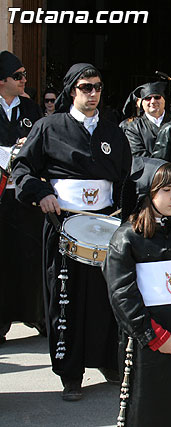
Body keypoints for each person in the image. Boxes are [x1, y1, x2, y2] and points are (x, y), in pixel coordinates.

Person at [12, 63, 132, 401]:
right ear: (71, 91)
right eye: (85, 88)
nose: (92, 94)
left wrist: (127, 215)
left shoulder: (113, 132)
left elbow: (126, 178)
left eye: (97, 87)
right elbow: (22, 168)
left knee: (107, 299)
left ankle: (108, 361)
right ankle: (71, 372)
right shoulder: (48, 127)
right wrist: (41, 194)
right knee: (68, 301)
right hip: (65, 226)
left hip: (107, 227)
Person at [103, 158, 171, 427]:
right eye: (166, 190)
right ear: (147, 193)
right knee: (148, 410)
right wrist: (155, 336)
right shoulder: (126, 238)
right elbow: (122, 295)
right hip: (146, 342)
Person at [0, 50, 44, 344]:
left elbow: (41, 144)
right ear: (2, 81)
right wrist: (10, 152)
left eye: (25, 75)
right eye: (18, 76)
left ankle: (35, 313)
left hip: (23, 195)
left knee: (30, 254)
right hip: (0, 194)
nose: (24, 80)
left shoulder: (31, 110)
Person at [121, 81, 171, 157]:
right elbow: (138, 154)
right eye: (148, 98)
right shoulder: (133, 127)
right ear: (142, 103)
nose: (153, 101)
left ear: (164, 99)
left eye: (157, 97)